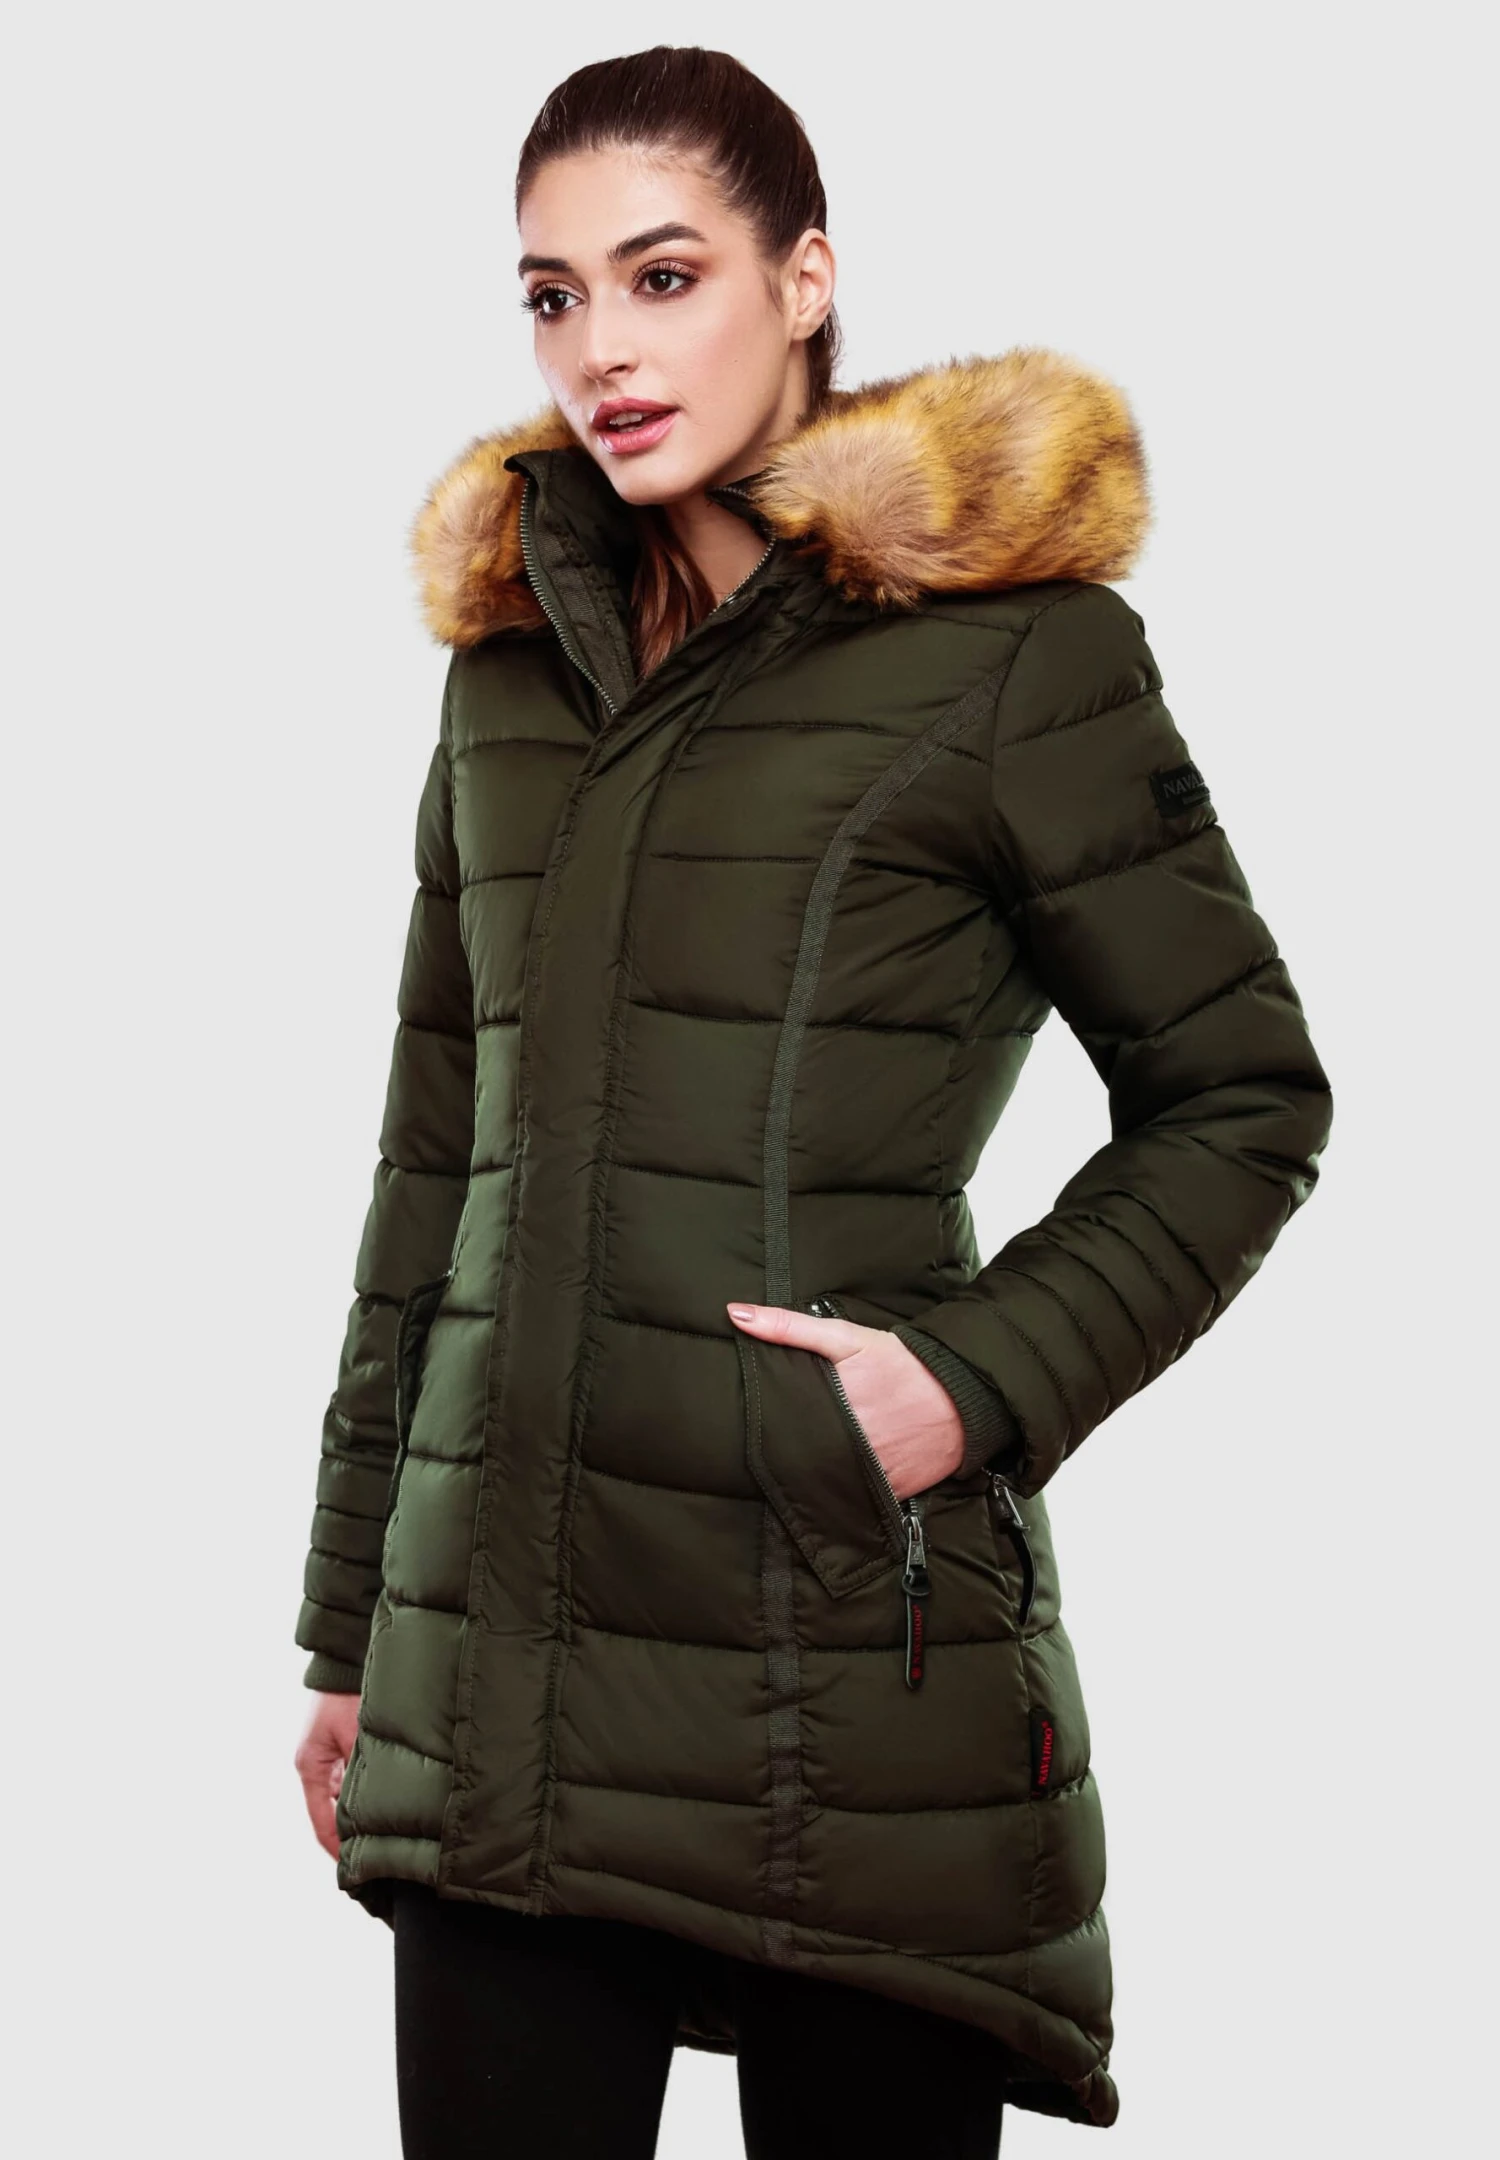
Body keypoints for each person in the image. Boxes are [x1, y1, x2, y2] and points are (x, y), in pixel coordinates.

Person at [292, 42, 1333, 2159]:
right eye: (555, 295)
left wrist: (971, 1384)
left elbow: (1241, 1094)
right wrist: (347, 1624)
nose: (603, 347)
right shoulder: (506, 678)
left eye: (662, 275)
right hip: (495, 1676)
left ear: (806, 279)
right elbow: (432, 1168)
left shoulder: (1013, 658)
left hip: (846, 1673)